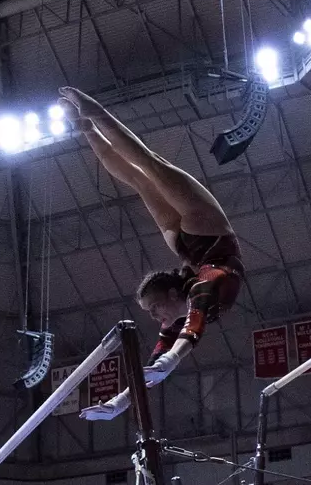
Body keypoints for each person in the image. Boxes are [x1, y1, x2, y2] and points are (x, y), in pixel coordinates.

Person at [61, 87, 244, 421]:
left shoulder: (183, 305)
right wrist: (167, 364)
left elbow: (154, 363)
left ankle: (86, 128)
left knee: (138, 179)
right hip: (212, 232)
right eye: (155, 308)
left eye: (152, 308)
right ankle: (93, 110)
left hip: (185, 246)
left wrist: (121, 401)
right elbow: (191, 331)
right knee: (149, 162)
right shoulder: (204, 289)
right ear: (175, 293)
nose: (155, 316)